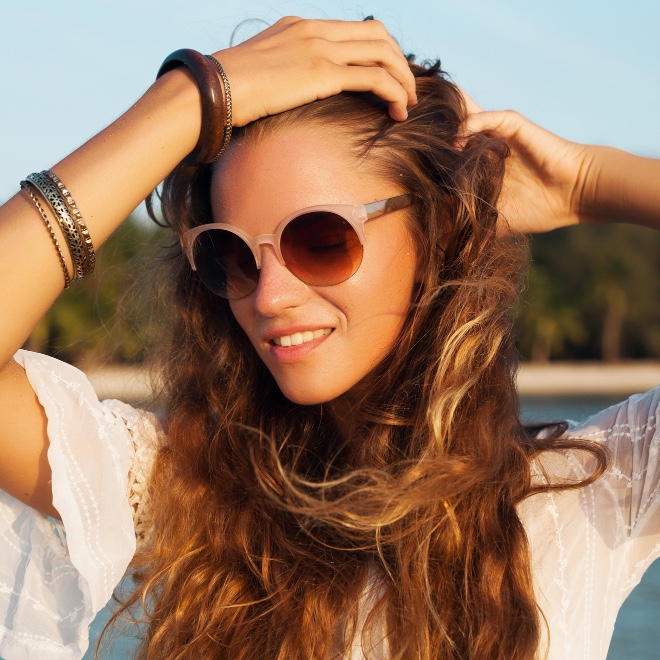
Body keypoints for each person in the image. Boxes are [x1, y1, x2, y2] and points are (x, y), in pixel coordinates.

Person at [0, 16, 658, 660]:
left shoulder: (596, 488)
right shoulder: (189, 490)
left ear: (430, 238)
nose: (270, 295)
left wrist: (589, 182)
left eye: (320, 238)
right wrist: (190, 97)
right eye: (231, 255)